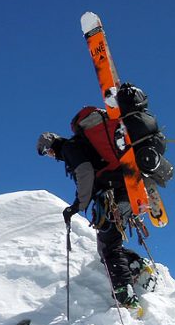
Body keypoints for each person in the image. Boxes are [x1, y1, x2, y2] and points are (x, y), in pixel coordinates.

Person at [36, 129, 145, 312]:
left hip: (112, 195)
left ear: (52, 145)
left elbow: (85, 173)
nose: (50, 155)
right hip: (123, 191)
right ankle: (137, 266)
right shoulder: (79, 147)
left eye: (47, 151)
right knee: (107, 245)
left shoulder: (70, 148)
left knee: (109, 247)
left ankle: (126, 298)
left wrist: (77, 205)